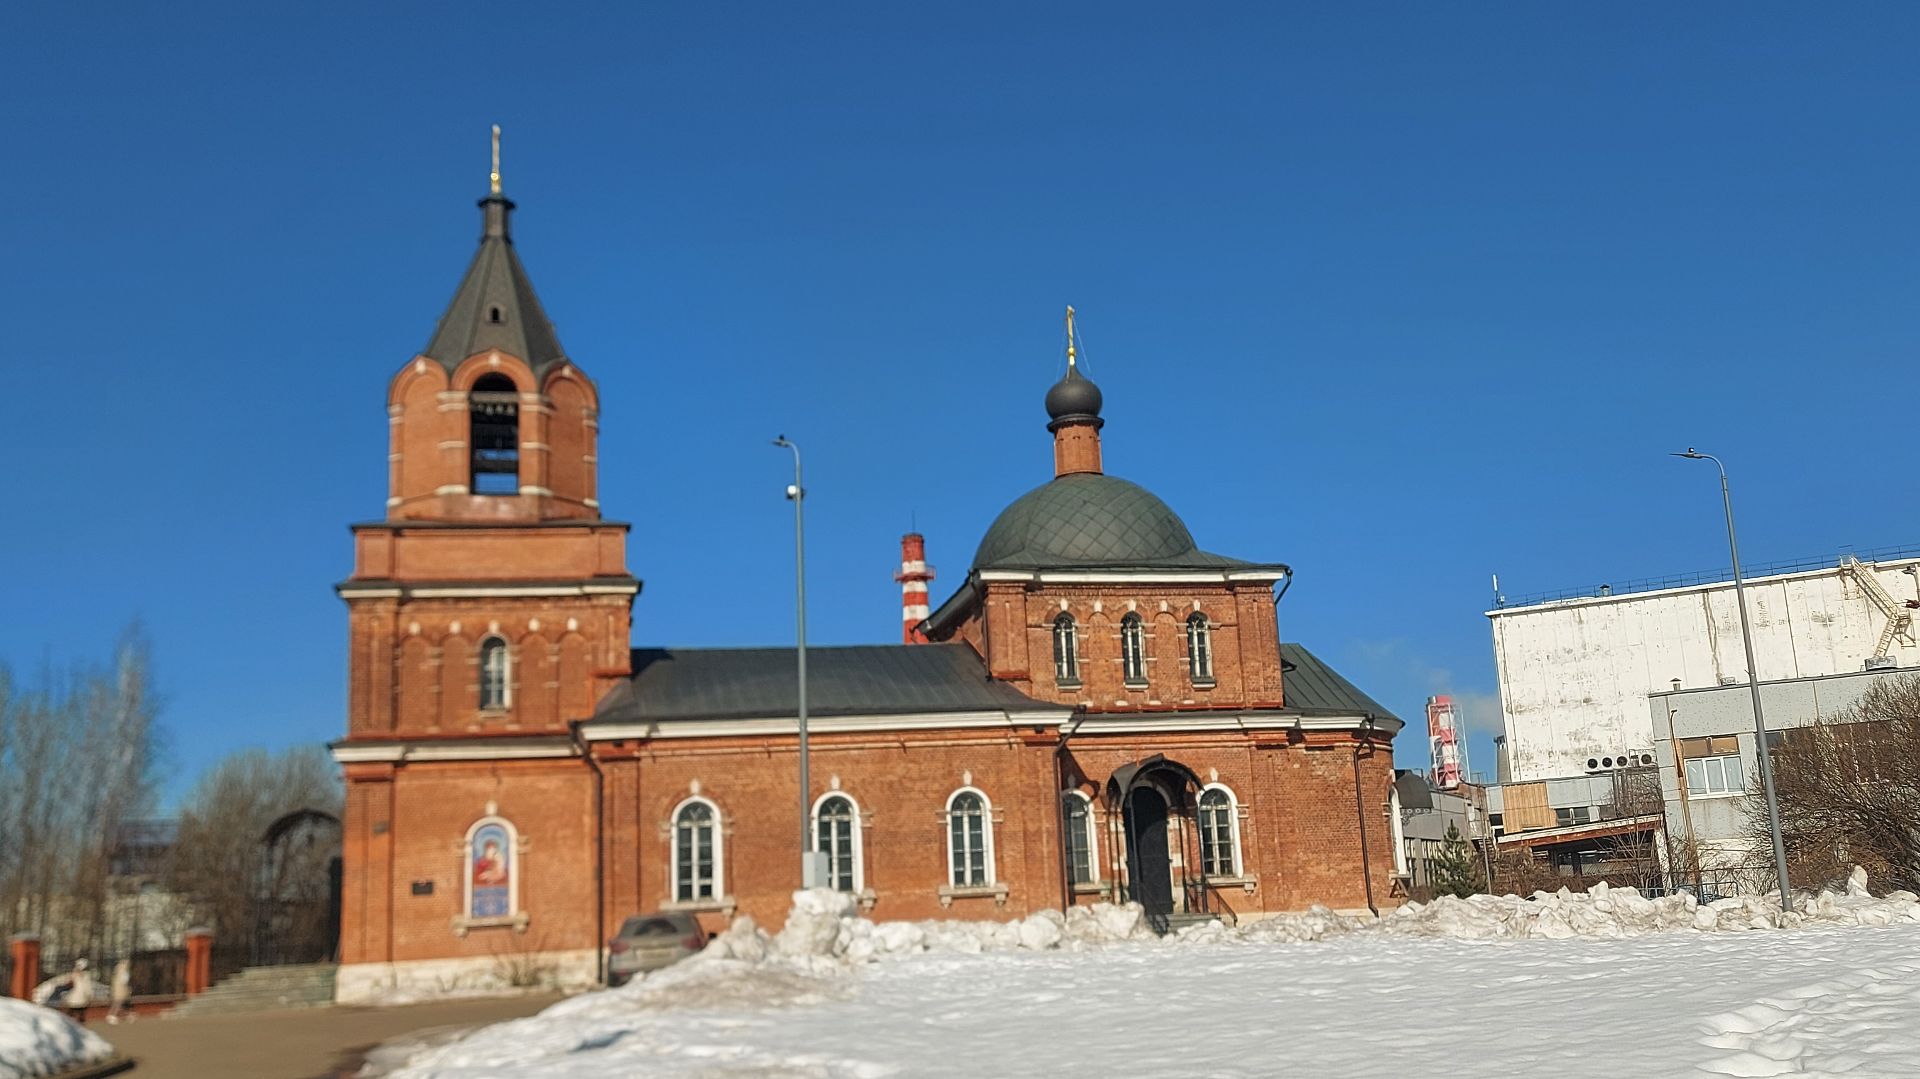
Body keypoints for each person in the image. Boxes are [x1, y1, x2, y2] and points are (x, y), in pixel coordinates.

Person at [64, 959, 94, 1024]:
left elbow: (88, 986)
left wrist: (89, 994)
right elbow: (67, 982)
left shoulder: (84, 975)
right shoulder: (75, 974)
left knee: (78, 1009)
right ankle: (75, 1020)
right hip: (78, 994)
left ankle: (78, 1020)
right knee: (76, 1008)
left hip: (80, 995)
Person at [106, 960, 132, 1025]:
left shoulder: (117, 972)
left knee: (118, 1003)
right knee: (118, 1003)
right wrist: (127, 989)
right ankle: (112, 1015)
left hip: (117, 989)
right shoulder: (124, 972)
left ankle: (124, 1014)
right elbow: (124, 981)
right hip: (121, 990)